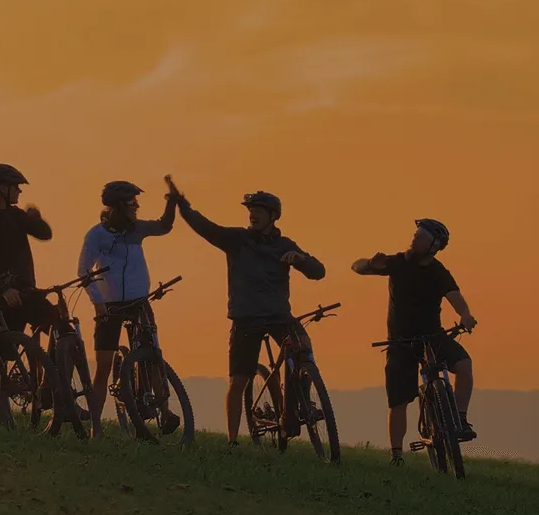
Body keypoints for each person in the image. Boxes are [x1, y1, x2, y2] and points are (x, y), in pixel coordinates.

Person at [167, 177, 326, 445]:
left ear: (273, 216)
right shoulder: (237, 240)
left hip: (279, 315)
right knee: (238, 380)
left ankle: (300, 405)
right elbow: (206, 228)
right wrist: (182, 204)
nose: (252, 214)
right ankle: (232, 439)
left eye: (259, 210)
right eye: (250, 210)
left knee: (303, 347)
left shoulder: (285, 244)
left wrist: (300, 259)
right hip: (246, 317)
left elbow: (318, 272)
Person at [351, 218, 478, 466]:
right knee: (398, 401)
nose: (414, 238)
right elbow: (357, 266)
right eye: (416, 234)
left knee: (464, 365)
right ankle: (397, 454)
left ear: (434, 246)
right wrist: (369, 264)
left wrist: (465, 315)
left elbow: (455, 296)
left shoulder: (438, 271)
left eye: (421, 236)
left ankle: (459, 420)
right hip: (401, 341)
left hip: (433, 336)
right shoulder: (397, 262)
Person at [0, 162, 77, 413]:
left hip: (28, 293)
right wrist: (4, 290)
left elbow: (45, 234)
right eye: (16, 187)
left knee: (65, 333)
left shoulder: (17, 216)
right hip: (3, 298)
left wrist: (36, 218)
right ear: (2, 188)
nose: (19, 192)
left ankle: (56, 393)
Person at [77, 179, 180, 439]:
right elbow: (83, 271)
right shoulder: (96, 235)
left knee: (153, 356)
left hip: (138, 301)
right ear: (117, 206)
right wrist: (97, 302)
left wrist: (171, 202)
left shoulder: (137, 229)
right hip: (108, 306)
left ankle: (165, 411)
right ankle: (96, 427)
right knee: (103, 365)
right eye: (132, 203)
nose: (136, 206)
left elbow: (165, 226)